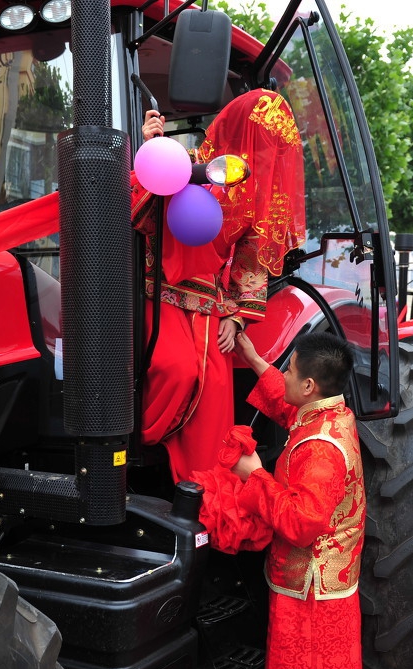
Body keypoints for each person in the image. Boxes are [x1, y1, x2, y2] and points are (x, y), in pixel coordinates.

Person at [230, 330, 365, 669]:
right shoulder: (328, 415)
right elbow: (290, 414)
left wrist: (255, 474)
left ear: (309, 384)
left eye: (288, 370)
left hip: (309, 605)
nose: (282, 376)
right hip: (326, 597)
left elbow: (302, 522)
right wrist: (252, 357)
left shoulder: (321, 451)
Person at [133, 90, 306, 482]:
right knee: (174, 369)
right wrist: (152, 148)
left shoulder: (259, 196)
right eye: (258, 139)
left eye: (272, 146)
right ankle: (137, 447)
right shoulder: (191, 164)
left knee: (213, 399)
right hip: (160, 295)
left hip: (212, 309)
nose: (264, 152)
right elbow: (142, 221)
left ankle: (203, 494)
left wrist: (239, 319)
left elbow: (250, 261)